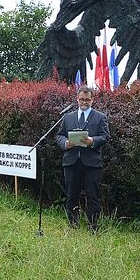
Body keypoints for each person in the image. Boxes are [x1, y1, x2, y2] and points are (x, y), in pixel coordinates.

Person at [55, 86, 110, 231]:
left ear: (92, 100)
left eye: (87, 99)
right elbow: (59, 135)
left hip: (91, 163)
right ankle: (73, 225)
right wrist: (66, 143)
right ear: (77, 99)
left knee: (93, 196)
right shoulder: (68, 117)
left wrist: (92, 140)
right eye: (81, 99)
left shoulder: (100, 117)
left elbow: (105, 136)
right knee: (71, 195)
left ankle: (93, 226)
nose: (84, 102)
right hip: (71, 161)